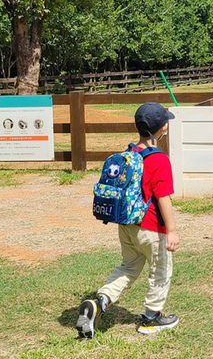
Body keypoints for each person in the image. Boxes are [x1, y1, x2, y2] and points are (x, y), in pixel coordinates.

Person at [76, 102, 181, 338]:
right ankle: (152, 318)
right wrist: (172, 230)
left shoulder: (130, 154)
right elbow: (163, 197)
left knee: (128, 267)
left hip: (127, 226)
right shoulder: (159, 160)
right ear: (163, 127)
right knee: (160, 271)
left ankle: (100, 301)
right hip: (152, 228)